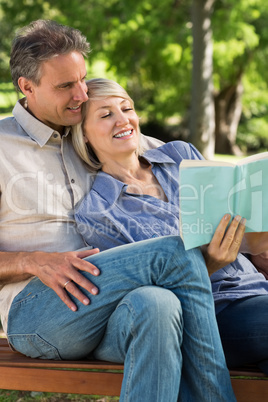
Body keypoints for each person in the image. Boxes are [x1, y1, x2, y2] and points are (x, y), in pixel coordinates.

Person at [0, 20, 236, 401]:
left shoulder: (99, 133)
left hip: (112, 303)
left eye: (82, 79)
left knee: (157, 304)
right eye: (65, 86)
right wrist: (33, 261)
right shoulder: (2, 147)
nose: (81, 95)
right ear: (27, 87)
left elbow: (162, 162)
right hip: (41, 310)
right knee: (175, 251)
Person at [72, 77, 268, 375]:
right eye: (106, 114)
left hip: (257, 289)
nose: (123, 120)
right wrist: (209, 264)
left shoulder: (180, 156)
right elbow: (149, 297)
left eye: (127, 108)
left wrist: (258, 243)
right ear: (83, 134)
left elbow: (231, 215)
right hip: (208, 315)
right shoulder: (98, 212)